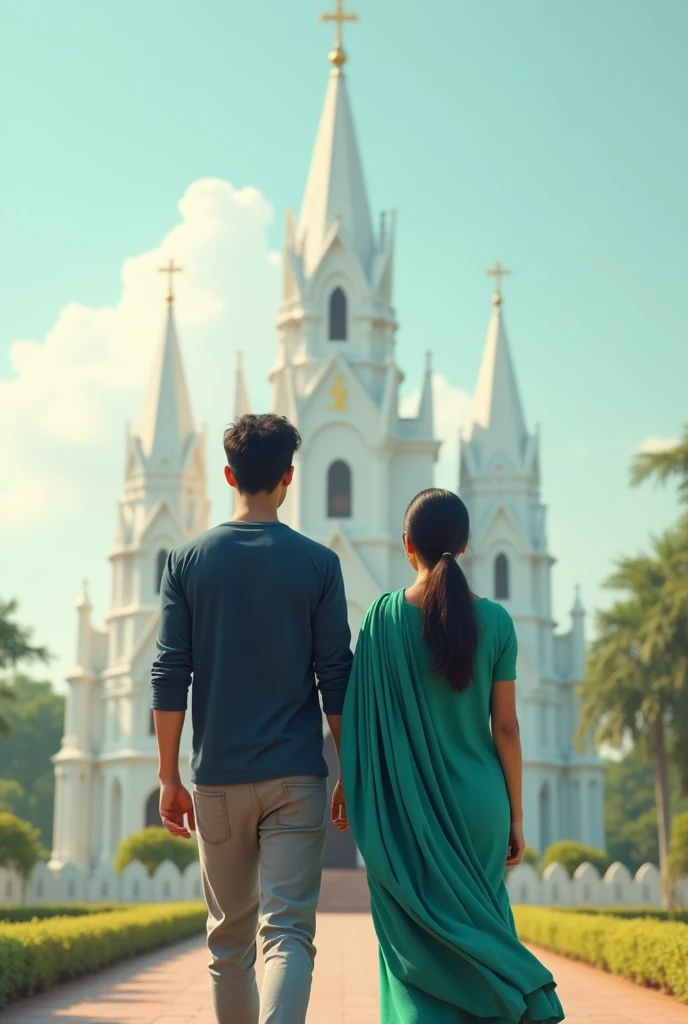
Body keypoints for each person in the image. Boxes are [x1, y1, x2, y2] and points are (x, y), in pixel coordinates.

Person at [151, 413, 353, 1024]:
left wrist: (168, 776)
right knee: (288, 933)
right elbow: (335, 676)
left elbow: (169, 672)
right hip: (297, 776)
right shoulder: (319, 564)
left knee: (228, 941)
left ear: (228, 474)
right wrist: (348, 769)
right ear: (289, 477)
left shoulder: (187, 561)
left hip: (217, 778)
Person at [339, 488, 565, 1024]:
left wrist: (350, 785)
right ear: (465, 544)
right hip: (481, 805)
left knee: (413, 938)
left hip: (402, 806)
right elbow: (506, 728)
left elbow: (361, 720)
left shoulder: (380, 619)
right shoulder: (498, 623)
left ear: (405, 545)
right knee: (481, 925)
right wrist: (515, 812)